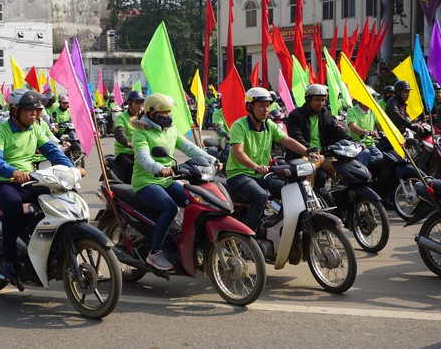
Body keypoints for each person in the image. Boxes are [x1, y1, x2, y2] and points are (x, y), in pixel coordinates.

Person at [0, 89, 75, 281]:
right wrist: (14, 172)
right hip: (3, 184)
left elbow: (52, 151)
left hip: (29, 180)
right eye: (30, 110)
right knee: (13, 206)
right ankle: (10, 260)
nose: (35, 115)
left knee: (59, 197)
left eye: (37, 110)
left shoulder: (35, 128)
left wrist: (71, 168)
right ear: (14, 110)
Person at [131, 93, 216, 270]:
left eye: (169, 113)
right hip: (147, 181)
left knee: (195, 202)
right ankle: (155, 253)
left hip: (167, 180)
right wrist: (159, 169)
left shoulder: (170, 130)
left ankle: (189, 243)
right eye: (164, 113)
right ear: (152, 113)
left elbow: (189, 147)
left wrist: (212, 160)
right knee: (169, 207)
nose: (168, 116)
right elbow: (143, 156)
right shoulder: (141, 132)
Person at [226, 88, 318, 233]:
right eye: (261, 105)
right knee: (260, 196)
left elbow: (287, 140)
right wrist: (256, 166)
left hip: (262, 174)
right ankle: (250, 236)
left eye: (268, 105)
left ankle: (278, 227)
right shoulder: (239, 125)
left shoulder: (269, 125)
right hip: (239, 174)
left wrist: (307, 151)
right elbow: (238, 153)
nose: (266, 109)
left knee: (290, 191)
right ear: (249, 106)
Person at [287, 84, 366, 188]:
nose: (321, 103)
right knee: (310, 173)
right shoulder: (296, 115)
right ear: (308, 100)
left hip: (323, 155)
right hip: (304, 156)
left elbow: (336, 130)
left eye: (323, 100)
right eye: (317, 100)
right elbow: (296, 137)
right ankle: (308, 200)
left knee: (347, 170)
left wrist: (354, 142)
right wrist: (310, 150)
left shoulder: (325, 113)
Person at [113, 90, 145, 183]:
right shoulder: (121, 117)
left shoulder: (144, 118)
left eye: (142, 102)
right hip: (124, 153)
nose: (140, 105)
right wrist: (128, 143)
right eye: (137, 102)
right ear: (129, 103)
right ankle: (128, 190)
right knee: (131, 167)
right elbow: (119, 132)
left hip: (140, 151)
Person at [346, 100, 384, 167]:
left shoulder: (372, 112)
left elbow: (380, 127)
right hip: (357, 144)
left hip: (371, 144)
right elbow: (353, 127)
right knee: (366, 154)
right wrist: (367, 132)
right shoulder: (351, 111)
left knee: (381, 156)